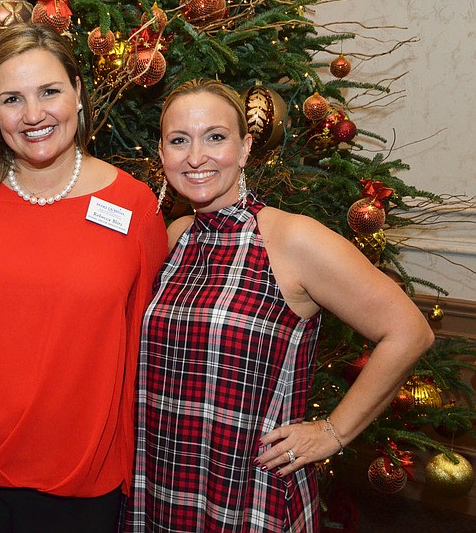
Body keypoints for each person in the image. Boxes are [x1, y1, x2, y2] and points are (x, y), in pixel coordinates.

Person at [124, 78, 434, 532]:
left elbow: (409, 332)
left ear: (246, 147)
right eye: (179, 140)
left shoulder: (291, 239)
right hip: (162, 484)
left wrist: (333, 432)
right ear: (162, 152)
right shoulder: (175, 237)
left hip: (247, 493)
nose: (195, 157)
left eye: (215, 137)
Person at [0, 23, 168, 533]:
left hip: (78, 485)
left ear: (78, 92)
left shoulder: (135, 206)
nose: (33, 115)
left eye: (49, 92)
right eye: (12, 98)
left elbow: (145, 347)